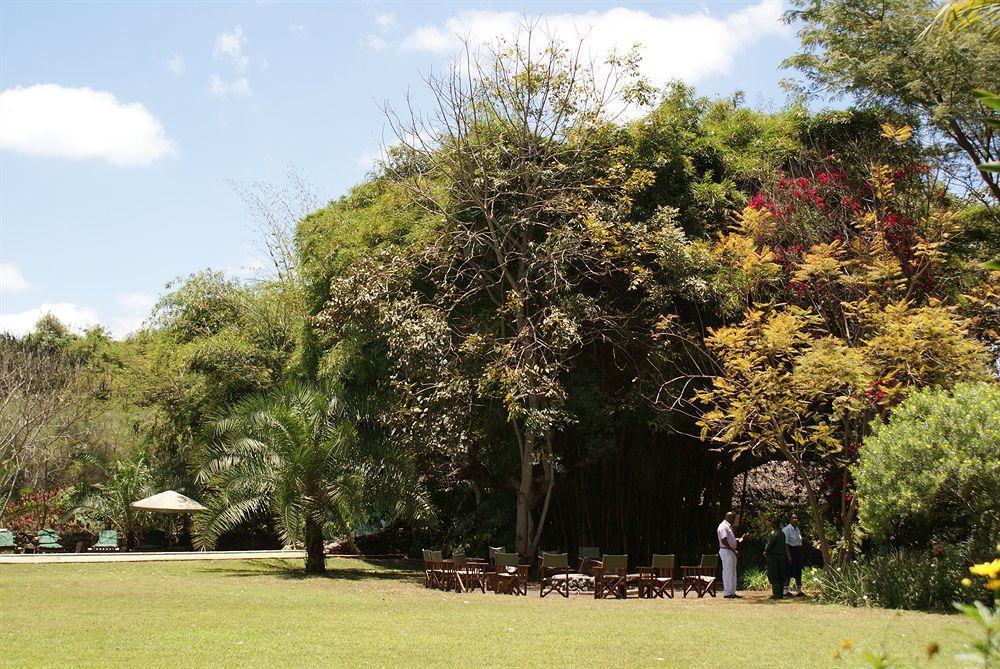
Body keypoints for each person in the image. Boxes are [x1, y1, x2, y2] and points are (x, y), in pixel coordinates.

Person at [717, 511, 747, 598]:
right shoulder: (723, 526)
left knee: (733, 572)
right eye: (733, 518)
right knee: (728, 572)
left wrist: (741, 539)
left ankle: (732, 592)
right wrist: (733, 550)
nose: (734, 520)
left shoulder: (728, 526)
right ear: (729, 518)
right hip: (726, 551)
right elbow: (724, 540)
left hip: (730, 551)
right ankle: (727, 593)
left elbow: (731, 539)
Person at [764, 517, 786, 600]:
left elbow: (769, 545)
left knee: (774, 574)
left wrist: (766, 551)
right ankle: (780, 593)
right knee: (781, 574)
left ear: (774, 524)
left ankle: (776, 594)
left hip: (773, 557)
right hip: (782, 556)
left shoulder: (773, 533)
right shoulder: (782, 533)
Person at [783, 513, 803, 596]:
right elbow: (786, 544)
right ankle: (785, 591)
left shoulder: (797, 529)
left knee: (798, 572)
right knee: (788, 572)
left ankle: (799, 591)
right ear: (790, 520)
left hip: (797, 552)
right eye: (793, 518)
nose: (795, 520)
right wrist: (789, 557)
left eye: (796, 518)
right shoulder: (786, 529)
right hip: (790, 551)